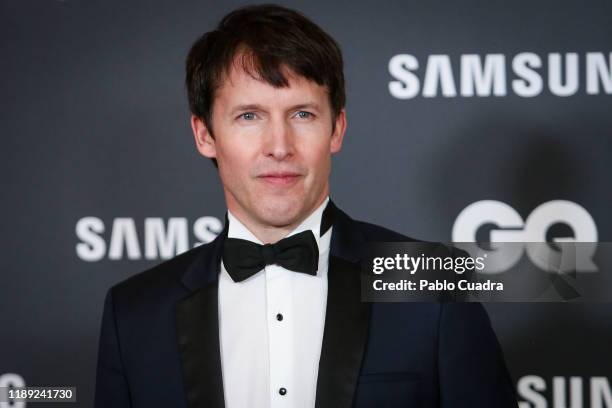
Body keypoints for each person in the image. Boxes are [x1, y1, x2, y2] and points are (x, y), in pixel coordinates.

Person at [94, 4, 517, 408]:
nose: (279, 147)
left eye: (302, 115)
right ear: (205, 134)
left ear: (337, 129)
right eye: (249, 116)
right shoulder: (135, 315)